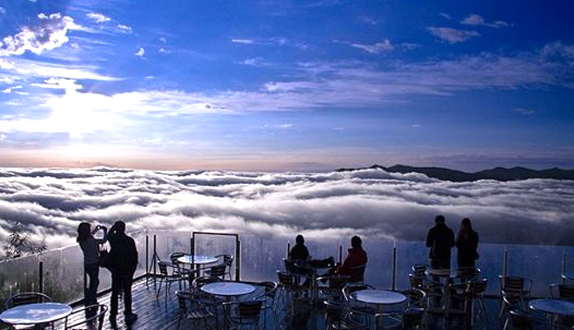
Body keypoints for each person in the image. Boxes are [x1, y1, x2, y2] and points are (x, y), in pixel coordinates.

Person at [107, 221, 138, 324]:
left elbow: (108, 235)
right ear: (124, 228)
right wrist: (132, 270)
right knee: (127, 292)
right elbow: (134, 257)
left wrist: (113, 228)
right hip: (127, 271)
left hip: (116, 271)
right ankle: (128, 313)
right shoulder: (129, 240)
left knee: (114, 293)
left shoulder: (113, 239)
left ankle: (113, 314)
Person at [77, 222, 107, 308]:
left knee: (93, 281)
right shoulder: (91, 240)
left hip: (87, 264)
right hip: (94, 263)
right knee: (94, 282)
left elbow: (90, 237)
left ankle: (91, 299)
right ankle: (92, 299)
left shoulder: (81, 239)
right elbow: (103, 241)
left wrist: (96, 230)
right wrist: (105, 231)